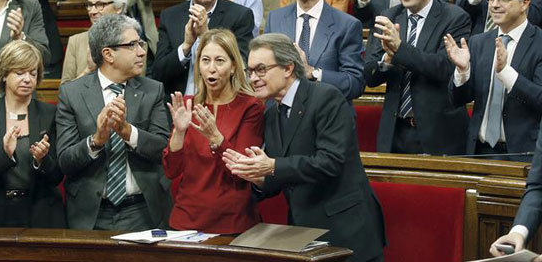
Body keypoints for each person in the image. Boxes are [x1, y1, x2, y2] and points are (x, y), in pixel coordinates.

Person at [223, 33, 385, 262]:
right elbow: (282, 173)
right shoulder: (271, 111)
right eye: (250, 72)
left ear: (288, 68)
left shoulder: (326, 97)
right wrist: (258, 177)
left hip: (346, 231)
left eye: (261, 70)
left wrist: (271, 166)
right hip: (303, 234)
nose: (253, 79)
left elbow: (330, 162)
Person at [56, 14, 171, 230]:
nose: (142, 51)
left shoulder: (152, 90)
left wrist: (128, 132)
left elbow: (163, 150)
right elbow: (65, 161)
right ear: (108, 54)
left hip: (142, 211)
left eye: (141, 43)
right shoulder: (72, 94)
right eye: (132, 45)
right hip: (92, 213)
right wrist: (96, 141)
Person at [364, 0, 471, 155]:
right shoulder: (388, 17)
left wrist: (399, 48)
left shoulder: (455, 18)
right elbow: (369, 76)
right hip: (394, 131)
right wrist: (386, 61)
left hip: (439, 134)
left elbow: (443, 68)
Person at [163, 29, 263, 235]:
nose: (212, 69)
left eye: (220, 61)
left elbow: (242, 173)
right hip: (186, 219)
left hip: (231, 221)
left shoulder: (250, 107)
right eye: (205, 60)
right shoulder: (188, 106)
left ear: (234, 66)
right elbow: (171, 170)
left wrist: (215, 137)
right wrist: (179, 132)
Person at [0, 40, 65, 228]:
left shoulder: (50, 114)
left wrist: (41, 160)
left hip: (42, 214)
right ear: (3, 75)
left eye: (33, 73)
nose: (27, 79)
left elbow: (57, 177)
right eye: (20, 73)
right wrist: (4, 155)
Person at [447, 0, 542, 161]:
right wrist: (462, 72)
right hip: (478, 151)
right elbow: (457, 101)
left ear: (525, 3)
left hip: (523, 155)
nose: (495, 5)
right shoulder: (478, 42)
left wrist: (506, 73)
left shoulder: (539, 43)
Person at [152, 0, 254, 98]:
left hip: (222, 102)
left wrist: (206, 35)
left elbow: (241, 69)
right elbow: (158, 74)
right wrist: (185, 47)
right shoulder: (170, 16)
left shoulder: (240, 15)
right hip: (179, 103)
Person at [267, 0, 364, 101]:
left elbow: (355, 83)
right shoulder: (275, 19)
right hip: (282, 114)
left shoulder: (347, 25)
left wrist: (313, 73)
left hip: (327, 115)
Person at [61, 0, 129, 84]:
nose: (92, 11)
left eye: (99, 5)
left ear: (119, 7)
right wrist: (88, 70)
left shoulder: (134, 44)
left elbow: (137, 89)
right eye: (90, 5)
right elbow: (64, 91)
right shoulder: (76, 42)